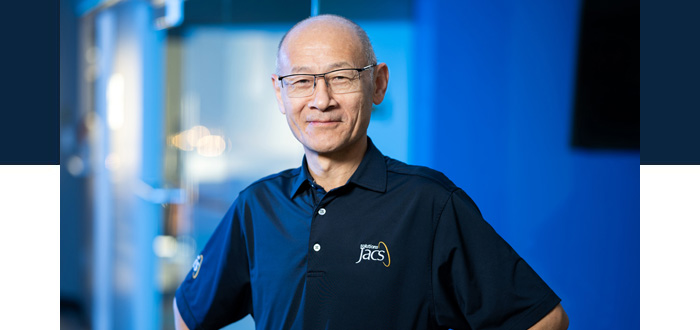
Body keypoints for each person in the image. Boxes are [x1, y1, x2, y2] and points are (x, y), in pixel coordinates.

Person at [174, 14, 569, 330]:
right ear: (280, 92)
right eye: (301, 81)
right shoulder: (257, 207)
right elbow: (189, 314)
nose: (321, 100)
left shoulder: (429, 204)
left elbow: (543, 320)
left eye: (340, 77)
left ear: (377, 85)